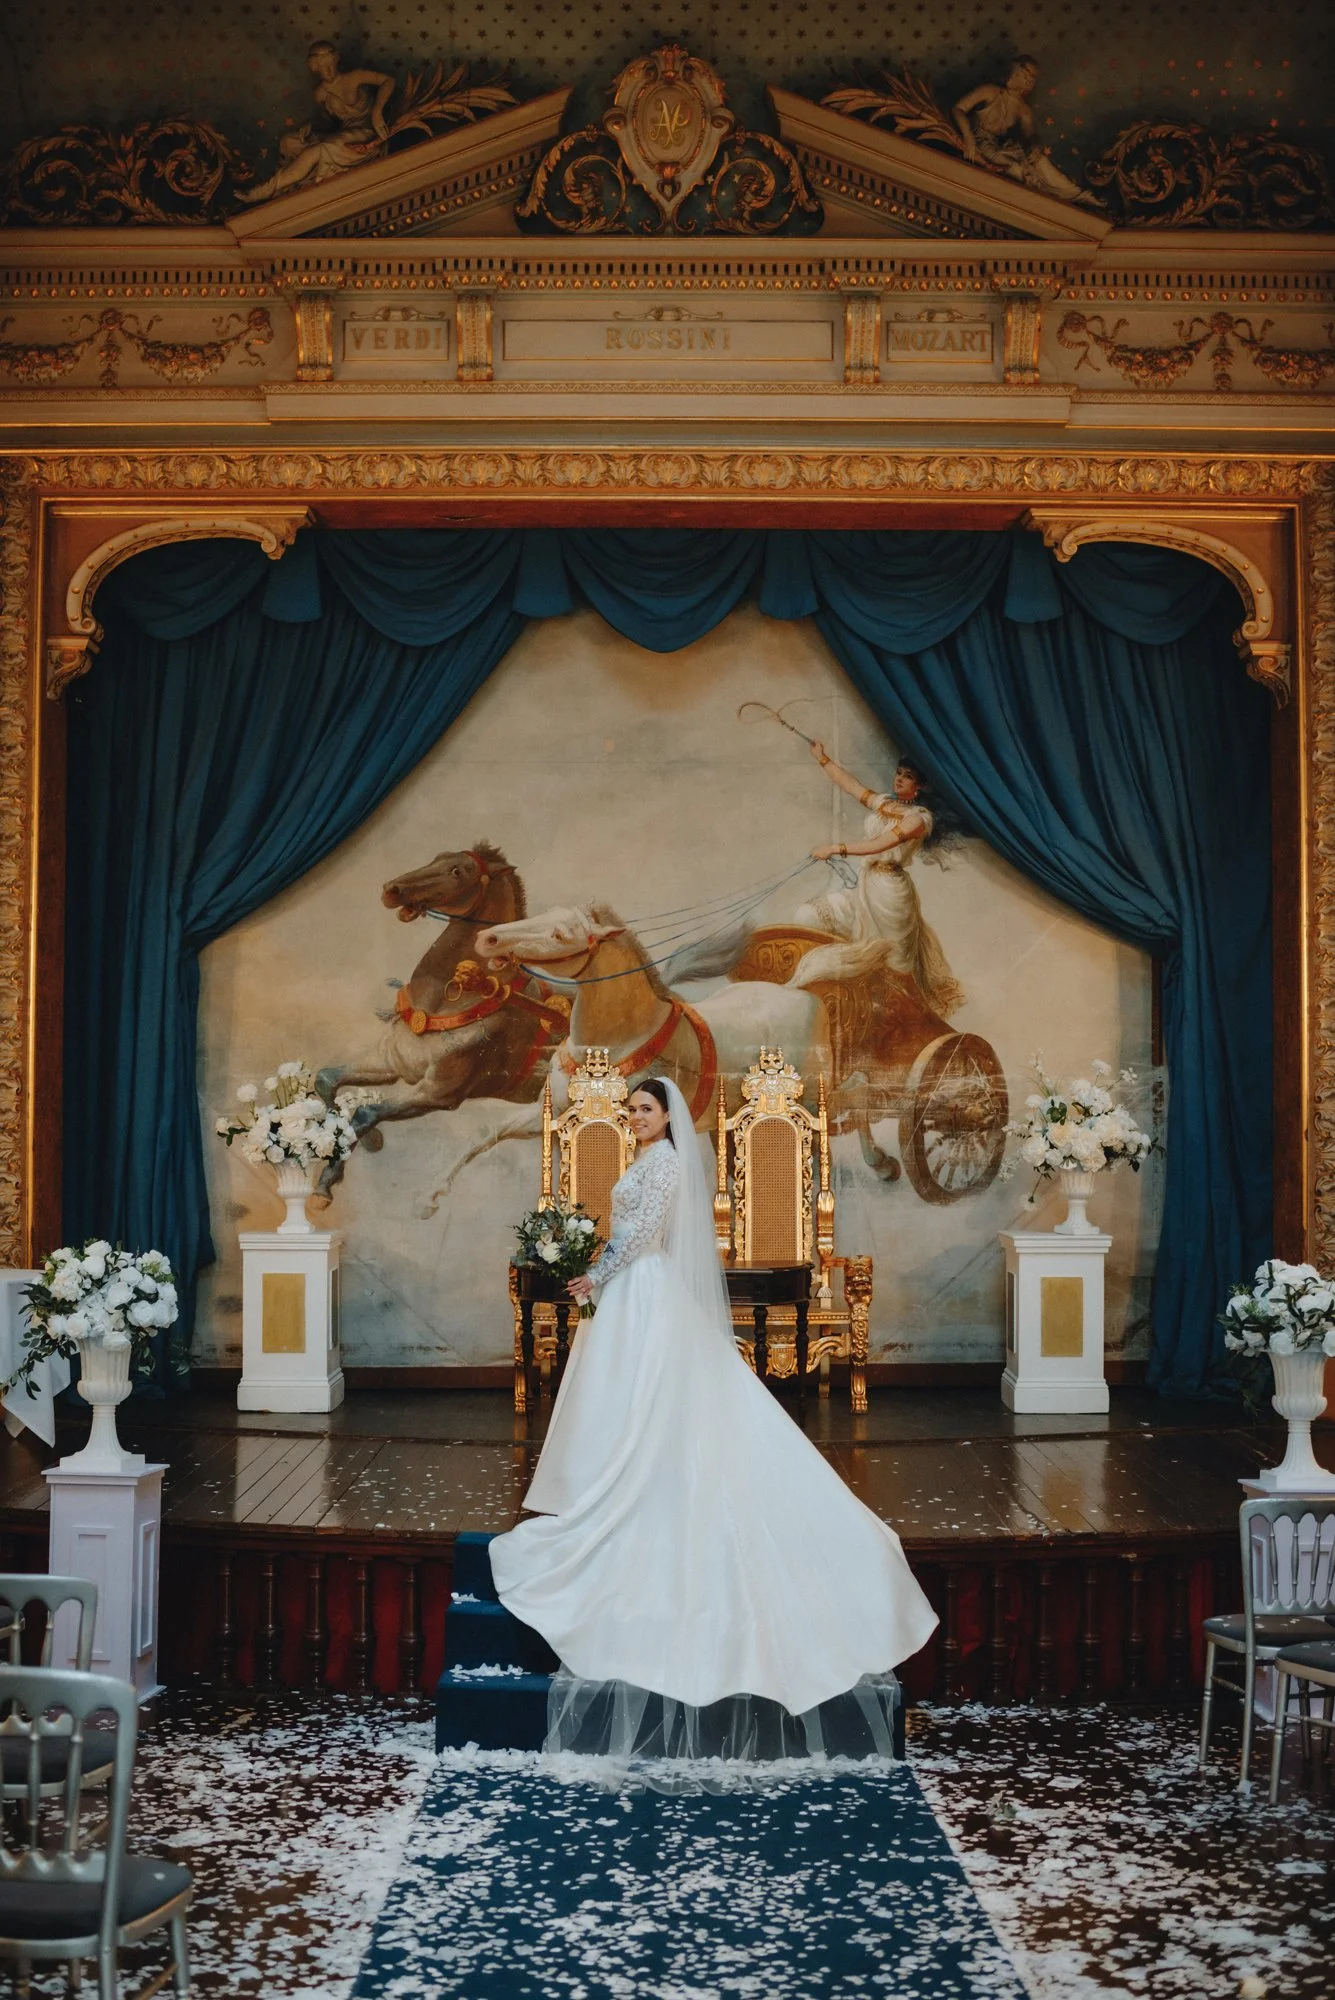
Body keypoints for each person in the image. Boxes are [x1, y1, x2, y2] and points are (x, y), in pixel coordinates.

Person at [489, 1077, 937, 1784]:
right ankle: (614, 1474)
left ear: (668, 1116)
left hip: (643, 1287)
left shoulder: (665, 1164)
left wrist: (594, 1273)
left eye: (645, 1109)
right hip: (630, 1289)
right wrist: (593, 1267)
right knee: (628, 1394)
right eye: (632, 1110)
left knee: (659, 1395)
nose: (636, 1118)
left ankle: (643, 1476)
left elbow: (643, 1236)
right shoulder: (646, 1160)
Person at [794, 742, 964, 1016]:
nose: (899, 778)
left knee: (892, 968)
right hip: (865, 886)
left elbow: (882, 844)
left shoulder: (919, 818)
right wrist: (822, 758)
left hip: (891, 896)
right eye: (899, 773)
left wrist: (836, 848)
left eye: (907, 776)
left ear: (919, 785)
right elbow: (850, 784)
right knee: (808, 915)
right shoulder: (885, 803)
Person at [237, 42, 394, 204]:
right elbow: (327, 122)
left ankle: (265, 190)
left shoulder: (355, 76)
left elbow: (388, 81)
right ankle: (284, 184)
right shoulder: (320, 94)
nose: (328, 70)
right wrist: (311, 124)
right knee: (290, 142)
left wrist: (377, 112)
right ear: (314, 68)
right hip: (344, 133)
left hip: (366, 133)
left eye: (329, 64)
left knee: (319, 150)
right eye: (321, 66)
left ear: (335, 60)